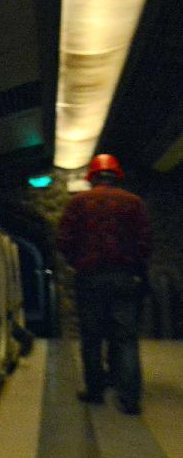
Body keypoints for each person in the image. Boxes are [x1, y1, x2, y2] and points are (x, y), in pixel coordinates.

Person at [57, 153, 151, 415]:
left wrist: (78, 263)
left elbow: (64, 240)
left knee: (92, 337)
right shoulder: (134, 203)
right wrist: (134, 267)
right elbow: (145, 242)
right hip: (124, 277)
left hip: (90, 278)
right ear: (117, 176)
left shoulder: (78, 203)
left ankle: (95, 392)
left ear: (92, 177)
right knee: (126, 339)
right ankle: (129, 399)